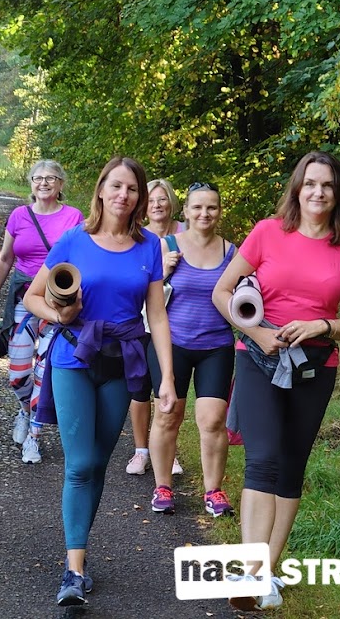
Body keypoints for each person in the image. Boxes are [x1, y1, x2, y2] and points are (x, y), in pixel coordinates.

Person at [212, 151, 340, 611]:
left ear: (338, 194)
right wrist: (257, 333)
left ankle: (268, 573)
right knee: (262, 460)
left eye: (328, 185)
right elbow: (223, 291)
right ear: (297, 187)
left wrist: (323, 325)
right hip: (259, 358)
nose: (318, 192)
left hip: (315, 367)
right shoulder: (266, 232)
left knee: (292, 465)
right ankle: (251, 573)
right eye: (310, 183)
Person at [22, 157, 175, 607]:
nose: (123, 195)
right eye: (115, 186)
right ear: (101, 191)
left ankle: (78, 557)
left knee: (99, 464)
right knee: (79, 463)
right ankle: (73, 570)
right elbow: (33, 296)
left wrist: (166, 376)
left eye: (131, 189)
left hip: (123, 359)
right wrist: (59, 315)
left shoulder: (150, 246)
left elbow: (158, 315)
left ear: (139, 198)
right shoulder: (74, 239)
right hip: (74, 355)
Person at [0, 160, 84, 463]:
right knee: (18, 371)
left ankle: (34, 437)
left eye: (50, 178)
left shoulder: (74, 217)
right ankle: (24, 411)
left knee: (44, 370)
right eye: (38, 178)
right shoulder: (19, 216)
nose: (43, 183)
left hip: (58, 300)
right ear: (30, 183)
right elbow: (4, 260)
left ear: (61, 184)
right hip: (23, 297)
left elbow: (81, 260)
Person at [146, 181, 236, 517]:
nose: (204, 213)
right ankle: (163, 486)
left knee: (212, 420)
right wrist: (164, 271)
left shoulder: (231, 252)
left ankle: (214, 491)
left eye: (211, 207)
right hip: (172, 344)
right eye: (197, 207)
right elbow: (146, 297)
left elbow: (246, 297)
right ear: (185, 211)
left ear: (219, 212)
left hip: (216, 344)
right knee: (168, 414)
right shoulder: (165, 246)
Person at [126, 178, 185, 478]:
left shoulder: (187, 234)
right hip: (143, 322)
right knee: (139, 389)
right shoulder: (136, 237)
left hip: (180, 324)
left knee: (168, 387)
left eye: (163, 199)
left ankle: (167, 450)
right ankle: (141, 451)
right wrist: (164, 267)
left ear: (172, 201)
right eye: (152, 200)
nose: (158, 205)